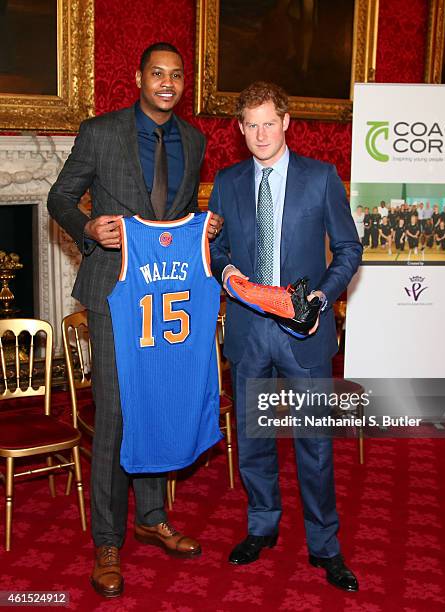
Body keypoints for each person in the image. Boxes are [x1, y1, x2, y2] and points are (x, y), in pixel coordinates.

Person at [47, 42, 222, 599]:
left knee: (158, 402)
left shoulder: (194, 139)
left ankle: (151, 516)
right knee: (119, 411)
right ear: (138, 77)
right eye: (157, 74)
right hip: (111, 292)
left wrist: (204, 227)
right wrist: (89, 227)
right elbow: (59, 197)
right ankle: (107, 541)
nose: (167, 83)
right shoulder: (101, 131)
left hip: (168, 295)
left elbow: (178, 215)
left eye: (176, 76)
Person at [209, 81, 362, 592]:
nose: (259, 133)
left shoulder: (321, 178)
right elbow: (219, 248)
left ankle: (325, 545)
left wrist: (321, 298)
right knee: (253, 440)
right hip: (250, 334)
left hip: (306, 334)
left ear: (287, 121)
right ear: (239, 128)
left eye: (268, 122)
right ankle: (261, 526)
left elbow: (347, 250)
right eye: (250, 124)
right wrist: (227, 273)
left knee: (314, 445)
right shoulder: (228, 182)